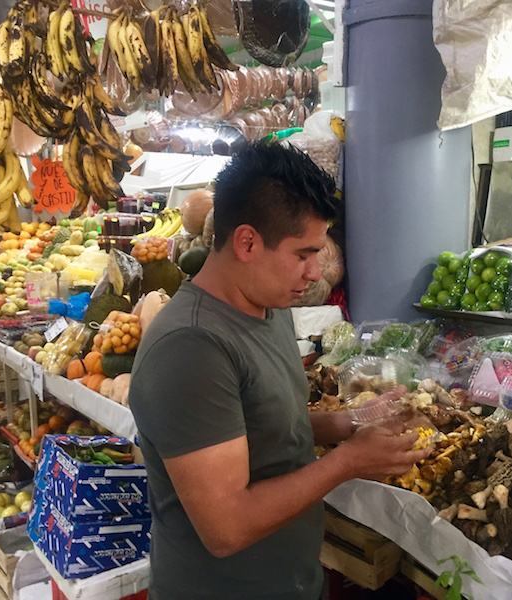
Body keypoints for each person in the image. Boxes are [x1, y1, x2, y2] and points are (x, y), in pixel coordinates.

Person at [129, 141, 429, 600]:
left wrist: (350, 422)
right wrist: (347, 462)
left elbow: (263, 424)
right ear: (247, 241)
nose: (315, 272)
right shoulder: (190, 348)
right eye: (303, 254)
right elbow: (226, 528)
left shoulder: (267, 307)